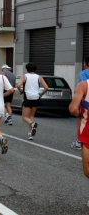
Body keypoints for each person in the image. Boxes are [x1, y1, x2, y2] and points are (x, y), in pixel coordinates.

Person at [69, 77, 89, 207]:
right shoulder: (84, 85)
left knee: (87, 169)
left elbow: (73, 109)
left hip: (87, 133)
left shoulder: (84, 85)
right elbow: (73, 109)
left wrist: (79, 114)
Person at [15, 62, 48, 140]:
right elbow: (46, 87)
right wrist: (41, 94)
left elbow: (18, 85)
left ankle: (32, 124)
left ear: (27, 69)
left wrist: (20, 91)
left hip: (28, 97)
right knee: (31, 116)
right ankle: (30, 134)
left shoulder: (24, 76)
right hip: (36, 97)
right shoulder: (39, 77)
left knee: (24, 117)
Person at [72, 57, 89, 149]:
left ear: (86, 64)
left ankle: (80, 141)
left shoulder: (83, 73)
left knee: (81, 120)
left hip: (86, 101)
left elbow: (82, 85)